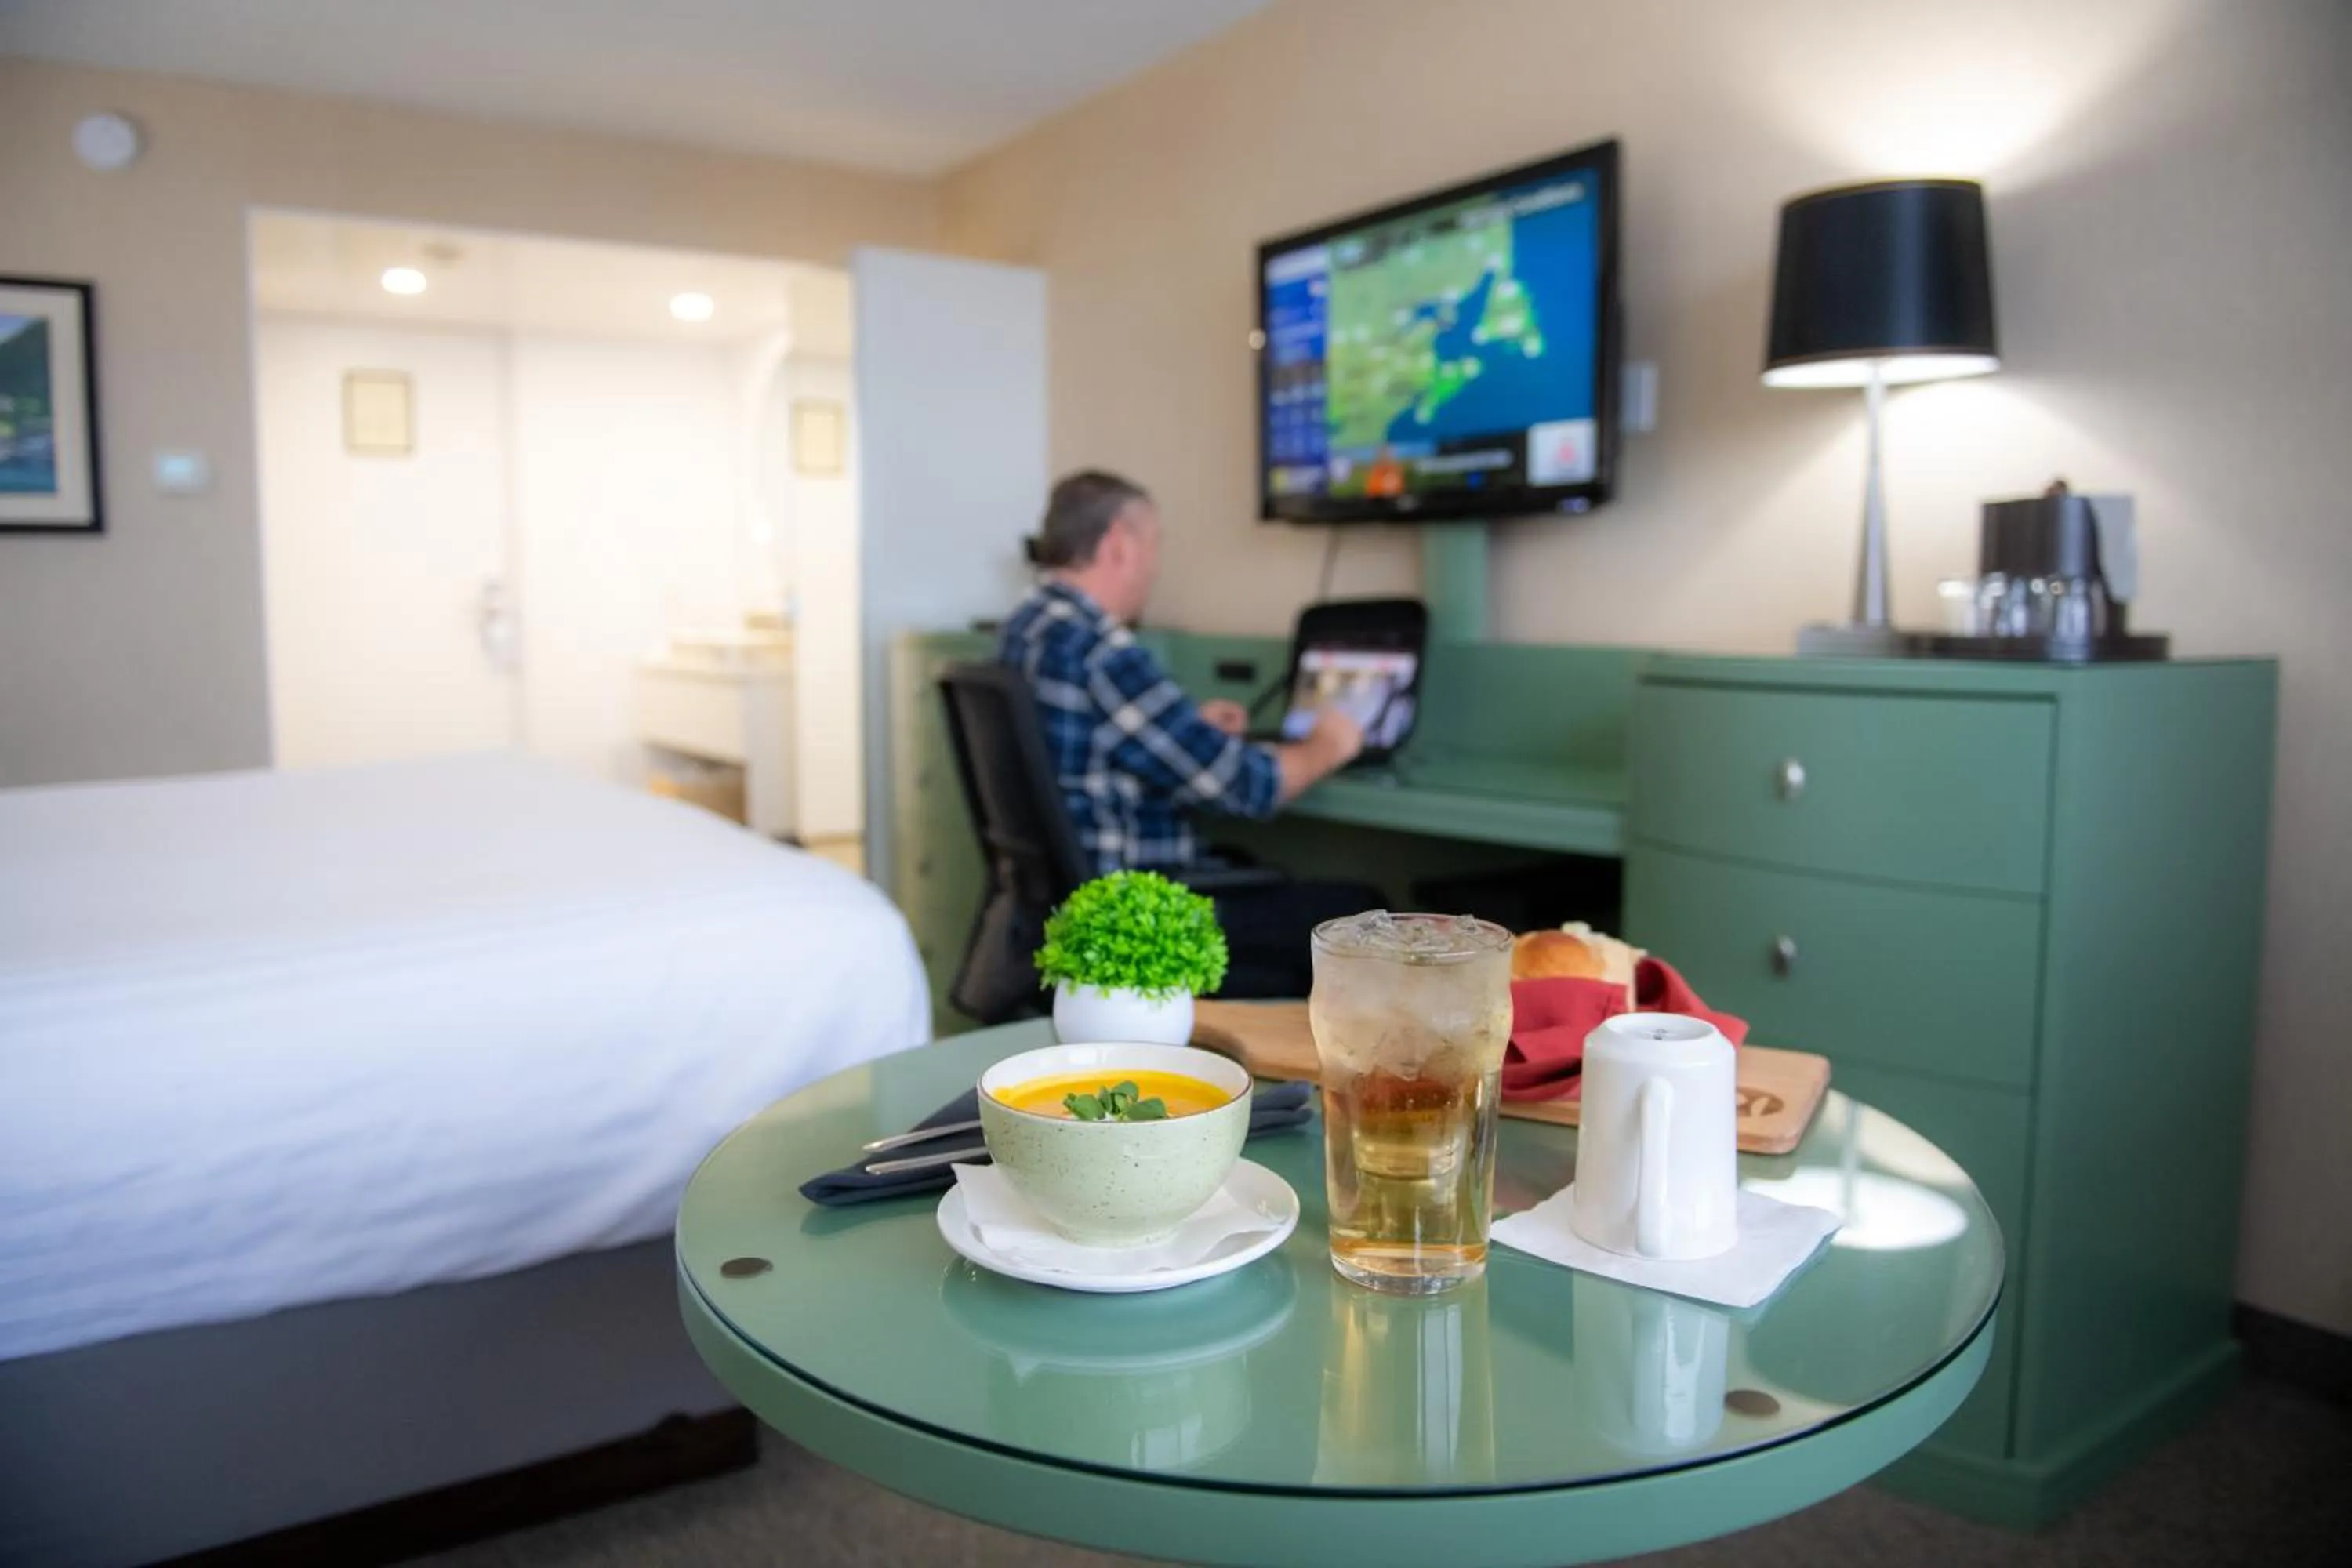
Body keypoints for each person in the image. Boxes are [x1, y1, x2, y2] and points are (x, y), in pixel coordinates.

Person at [998, 470, 1382, 997]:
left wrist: (1187, 728)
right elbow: (1250, 787)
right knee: (1361, 911)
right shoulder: (1100, 650)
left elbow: (1082, 745)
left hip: (1066, 911)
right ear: (1119, 546)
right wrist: (1330, 743)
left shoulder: (1026, 628)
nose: (1155, 568)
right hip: (1140, 919)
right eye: (1154, 546)